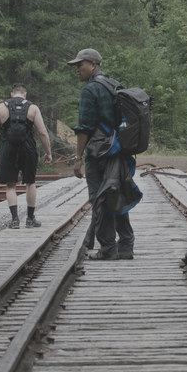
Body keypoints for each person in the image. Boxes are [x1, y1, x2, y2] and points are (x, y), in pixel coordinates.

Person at [65, 48, 141, 260]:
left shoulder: (91, 90)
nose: (77, 70)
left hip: (98, 153)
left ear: (93, 65)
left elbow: (84, 128)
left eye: (80, 65)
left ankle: (108, 248)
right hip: (117, 149)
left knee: (99, 199)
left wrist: (78, 158)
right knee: (115, 195)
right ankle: (126, 245)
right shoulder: (114, 84)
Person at [0, 83, 52, 228]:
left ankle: (15, 220)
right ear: (25, 94)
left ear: (12, 93)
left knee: (10, 185)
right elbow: (42, 133)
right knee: (30, 182)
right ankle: (30, 219)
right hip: (28, 148)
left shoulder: (1, 107)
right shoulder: (33, 108)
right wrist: (48, 152)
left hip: (8, 147)